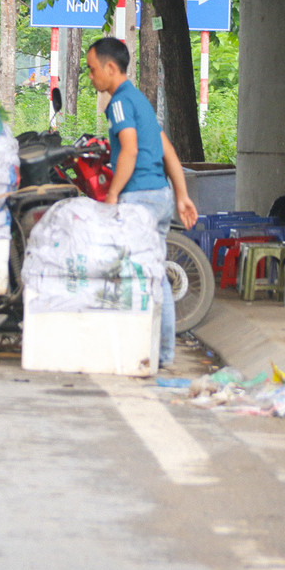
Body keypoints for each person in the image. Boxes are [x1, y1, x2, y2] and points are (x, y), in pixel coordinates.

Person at [86, 37, 199, 370]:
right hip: (160, 195)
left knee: (140, 275)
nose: (90, 77)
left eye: (92, 70)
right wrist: (181, 196)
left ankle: (152, 350)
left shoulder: (120, 102)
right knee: (154, 273)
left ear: (110, 68)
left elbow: (130, 150)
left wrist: (112, 195)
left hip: (140, 199)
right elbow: (168, 151)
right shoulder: (141, 101)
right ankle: (158, 351)